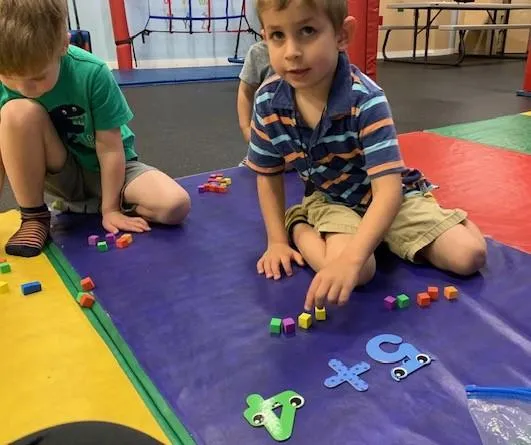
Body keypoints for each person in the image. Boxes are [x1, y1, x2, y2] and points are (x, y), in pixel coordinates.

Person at [245, 0, 487, 311]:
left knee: (470, 256)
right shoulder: (268, 102)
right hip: (333, 198)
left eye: (307, 30)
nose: (291, 51)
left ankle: (410, 229)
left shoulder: (366, 100)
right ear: (265, 36)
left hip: (391, 198)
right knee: (358, 273)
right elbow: (267, 174)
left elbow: (387, 192)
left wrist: (355, 252)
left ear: (342, 35)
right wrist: (278, 241)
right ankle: (299, 225)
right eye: (278, 35)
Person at [0, 0, 191, 258]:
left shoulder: (91, 72)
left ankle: (93, 205)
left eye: (38, 77)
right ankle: (34, 217)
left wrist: (110, 209)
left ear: (63, 45)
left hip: (110, 171)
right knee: (16, 111)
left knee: (175, 205)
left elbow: (110, 149)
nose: (25, 89)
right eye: (10, 77)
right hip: (60, 172)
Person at [237, 39, 275, 145]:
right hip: (267, 133)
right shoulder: (259, 52)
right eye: (278, 35)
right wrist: (245, 128)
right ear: (265, 33)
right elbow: (245, 91)